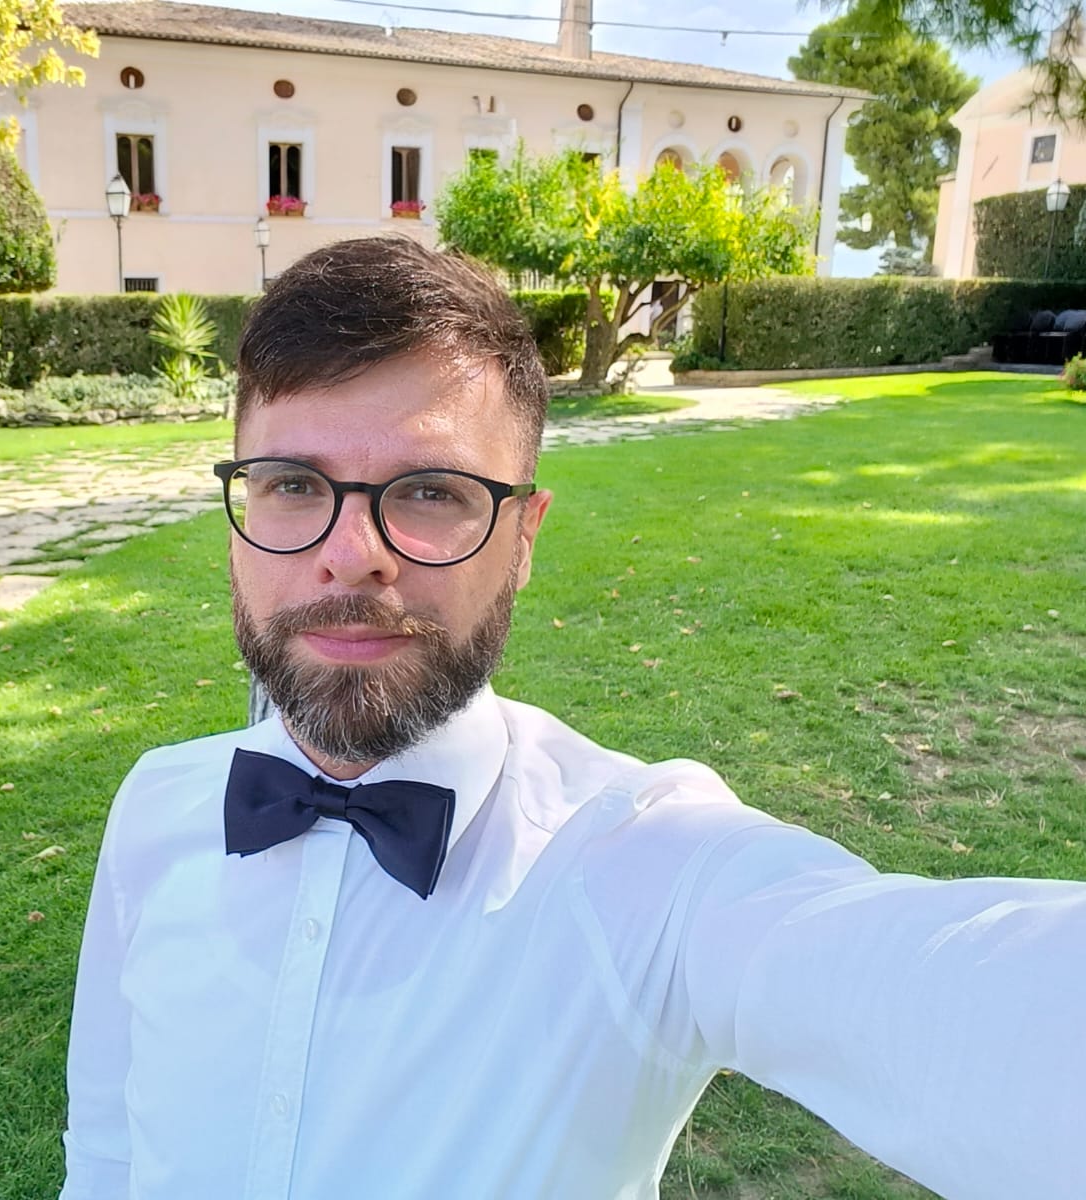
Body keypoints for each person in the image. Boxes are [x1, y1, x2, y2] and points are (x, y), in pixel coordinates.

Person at [59, 236, 1084, 1199]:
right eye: (292, 484)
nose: (350, 555)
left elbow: (951, 992)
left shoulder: (642, 867)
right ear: (239, 514)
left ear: (524, 537)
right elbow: (104, 1150)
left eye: (429, 491)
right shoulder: (154, 806)